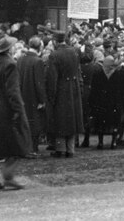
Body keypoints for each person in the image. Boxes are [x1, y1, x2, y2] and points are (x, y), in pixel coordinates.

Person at [0, 36, 30, 191]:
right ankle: (8, 175)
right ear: (9, 49)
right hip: (8, 110)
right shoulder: (10, 65)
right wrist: (19, 110)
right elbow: (13, 92)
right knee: (18, 141)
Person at [45, 30, 83, 158]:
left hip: (61, 90)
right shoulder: (74, 52)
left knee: (60, 119)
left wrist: (51, 96)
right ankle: (70, 149)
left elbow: (52, 78)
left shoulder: (54, 55)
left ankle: (60, 149)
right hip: (73, 88)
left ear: (55, 41)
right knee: (71, 118)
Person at [16, 37, 47, 157]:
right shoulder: (38, 61)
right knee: (34, 124)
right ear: (39, 47)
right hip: (33, 98)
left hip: (22, 96)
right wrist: (42, 100)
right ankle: (32, 149)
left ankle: (24, 148)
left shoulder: (20, 60)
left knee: (24, 123)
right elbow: (39, 83)